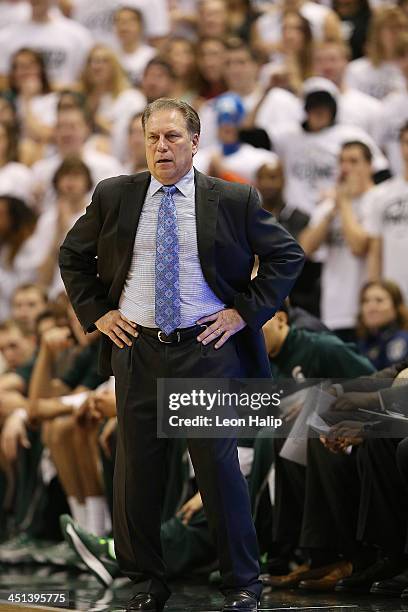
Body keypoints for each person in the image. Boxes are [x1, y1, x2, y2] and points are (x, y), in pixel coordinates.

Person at [59, 98, 305, 612]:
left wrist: (244, 313)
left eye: (172, 137)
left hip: (205, 352)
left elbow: (286, 254)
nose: (161, 146)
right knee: (137, 477)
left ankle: (242, 584)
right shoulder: (116, 195)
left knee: (216, 471)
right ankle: (145, 585)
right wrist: (100, 313)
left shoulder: (232, 200)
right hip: (137, 349)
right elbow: (72, 255)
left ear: (195, 142)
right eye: (152, 137)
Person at [299, 141, 375, 341]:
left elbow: (359, 246)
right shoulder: (330, 205)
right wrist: (333, 209)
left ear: (369, 166)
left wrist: (344, 203)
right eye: (342, 161)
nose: (346, 167)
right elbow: (304, 248)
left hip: (368, 310)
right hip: (333, 310)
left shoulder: (377, 199)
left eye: (353, 161)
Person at [0, 0, 93, 89]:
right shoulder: (6, 37)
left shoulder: (79, 36)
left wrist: (52, 89)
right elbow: (3, 81)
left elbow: (87, 80)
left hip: (65, 102)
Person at [365, 122, 408, 300]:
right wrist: (374, 295)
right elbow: (375, 249)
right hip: (394, 297)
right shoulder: (381, 194)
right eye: (406, 142)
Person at [344, 5, 407, 100]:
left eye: (401, 28)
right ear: (377, 33)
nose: (397, 34)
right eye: (391, 28)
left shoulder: (406, 69)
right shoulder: (356, 70)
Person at [355, 280, 408, 370]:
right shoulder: (363, 342)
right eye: (366, 301)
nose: (371, 307)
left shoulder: (401, 340)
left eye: (379, 301)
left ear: (396, 307)